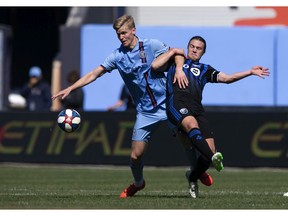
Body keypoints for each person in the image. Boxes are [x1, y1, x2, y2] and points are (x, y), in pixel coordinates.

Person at [51, 15, 218, 199]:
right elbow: (94, 73)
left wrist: (179, 69)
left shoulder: (151, 45)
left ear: (133, 31)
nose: (121, 37)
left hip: (168, 104)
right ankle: (138, 183)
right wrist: (71, 88)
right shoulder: (117, 56)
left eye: (123, 33)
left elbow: (178, 52)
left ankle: (196, 172)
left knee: (187, 140)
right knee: (135, 156)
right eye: (118, 34)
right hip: (145, 112)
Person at [151, 35, 270, 198]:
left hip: (197, 108)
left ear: (203, 52)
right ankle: (214, 157)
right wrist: (174, 52)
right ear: (187, 47)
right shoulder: (176, 61)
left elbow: (227, 78)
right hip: (177, 103)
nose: (194, 49)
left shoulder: (205, 69)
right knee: (192, 127)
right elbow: (155, 66)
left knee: (207, 155)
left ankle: (193, 177)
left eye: (198, 48)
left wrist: (250, 72)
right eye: (192, 46)